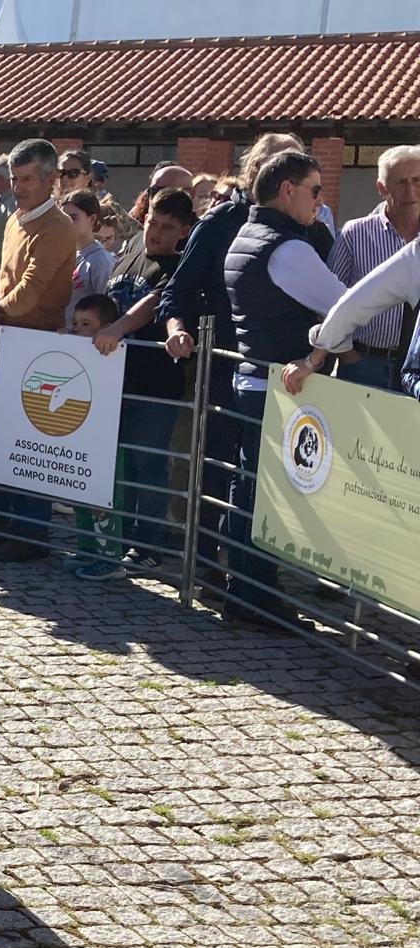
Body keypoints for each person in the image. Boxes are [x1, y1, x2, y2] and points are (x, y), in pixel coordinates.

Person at [160, 132, 304, 585]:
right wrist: (176, 329)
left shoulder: (306, 226)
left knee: (266, 478)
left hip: (284, 373)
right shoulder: (222, 221)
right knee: (219, 467)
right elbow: (176, 293)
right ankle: (207, 568)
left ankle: (252, 574)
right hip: (223, 365)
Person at [221, 150, 345, 630]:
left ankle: (242, 592)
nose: (321, 200)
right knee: (264, 493)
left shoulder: (245, 235)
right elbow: (343, 307)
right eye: (315, 190)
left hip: (252, 376)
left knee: (248, 485)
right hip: (279, 382)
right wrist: (319, 352)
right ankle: (254, 599)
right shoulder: (288, 248)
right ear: (287, 189)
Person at [75, 187, 196, 581]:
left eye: (166, 227)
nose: (156, 234)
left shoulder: (180, 264)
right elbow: (105, 303)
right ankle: (117, 539)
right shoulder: (126, 256)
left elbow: (154, 306)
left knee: (149, 464)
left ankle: (149, 547)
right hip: (112, 381)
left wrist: (116, 329)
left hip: (154, 382)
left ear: (183, 231)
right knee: (120, 466)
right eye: (151, 224)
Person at [0, 138, 74, 562]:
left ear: (51, 179)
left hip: (36, 342)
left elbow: (31, 291)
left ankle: (32, 533)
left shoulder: (58, 227)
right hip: (8, 335)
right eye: (15, 179)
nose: (19, 187)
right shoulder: (16, 218)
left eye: (28, 179)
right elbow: (6, 272)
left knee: (28, 439)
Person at [320, 145, 420, 393]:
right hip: (366, 365)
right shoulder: (355, 234)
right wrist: (347, 355)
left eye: (418, 180)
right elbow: (328, 301)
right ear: (382, 189)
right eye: (401, 183)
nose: (411, 191)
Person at [61, 189, 113, 325]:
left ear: (92, 219)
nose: (66, 223)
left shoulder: (100, 260)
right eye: (63, 218)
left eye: (73, 218)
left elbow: (106, 309)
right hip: (57, 335)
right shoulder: (61, 255)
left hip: (83, 341)